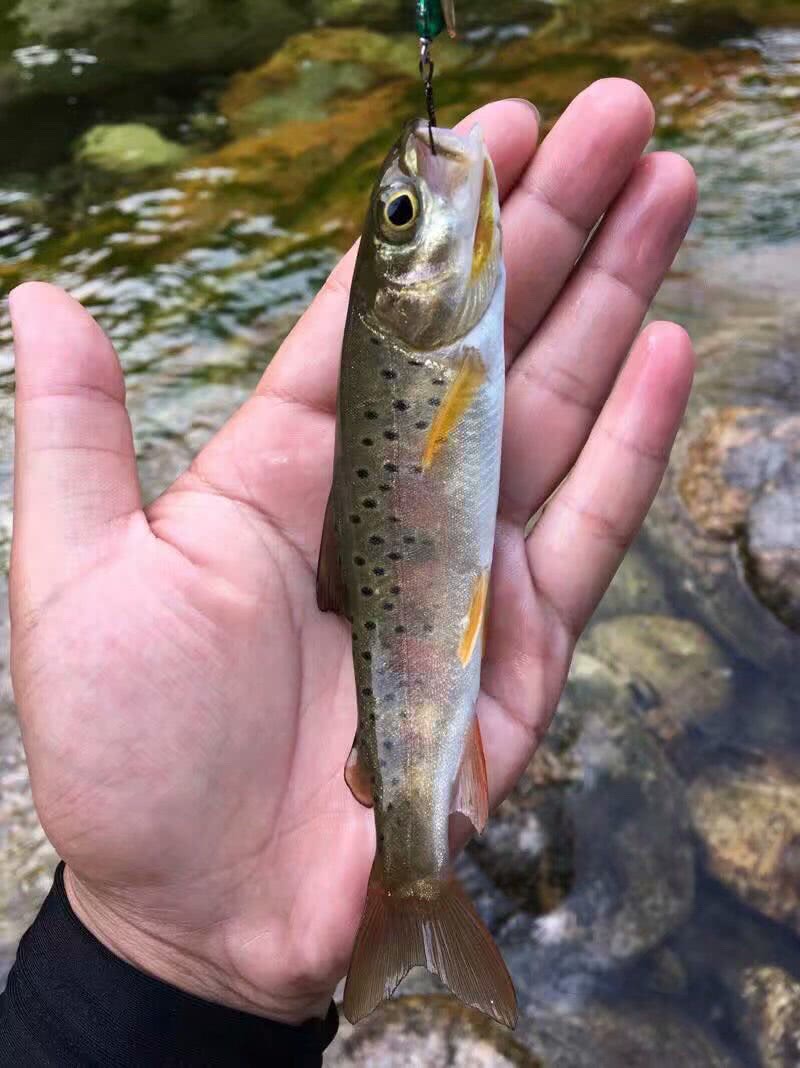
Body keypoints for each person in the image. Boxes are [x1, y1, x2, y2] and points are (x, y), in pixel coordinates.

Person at [0, 83, 697, 1066]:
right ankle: (412, 894)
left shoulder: (444, 312)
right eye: (403, 217)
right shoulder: (440, 317)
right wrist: (163, 947)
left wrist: (149, 974)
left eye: (399, 214)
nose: (417, 198)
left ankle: (408, 897)